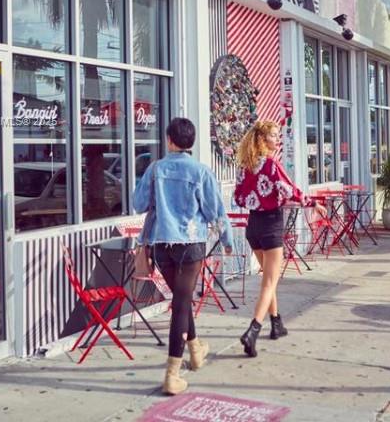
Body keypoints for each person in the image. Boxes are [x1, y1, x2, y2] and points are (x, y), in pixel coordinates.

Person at [134, 118, 233, 396]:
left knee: (180, 300)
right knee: (181, 302)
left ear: (169, 140)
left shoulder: (155, 170)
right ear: (191, 141)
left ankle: (196, 349)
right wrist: (227, 240)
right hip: (190, 244)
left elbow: (138, 204)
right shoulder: (201, 172)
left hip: (161, 244)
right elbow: (215, 211)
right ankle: (172, 374)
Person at [233, 120, 326, 358]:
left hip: (253, 225)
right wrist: (313, 203)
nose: (278, 139)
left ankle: (276, 323)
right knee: (270, 281)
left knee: (268, 277)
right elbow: (290, 190)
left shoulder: (245, 166)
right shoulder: (271, 165)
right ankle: (253, 330)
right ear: (263, 140)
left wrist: (259, 198)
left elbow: (239, 198)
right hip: (271, 224)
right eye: (274, 136)